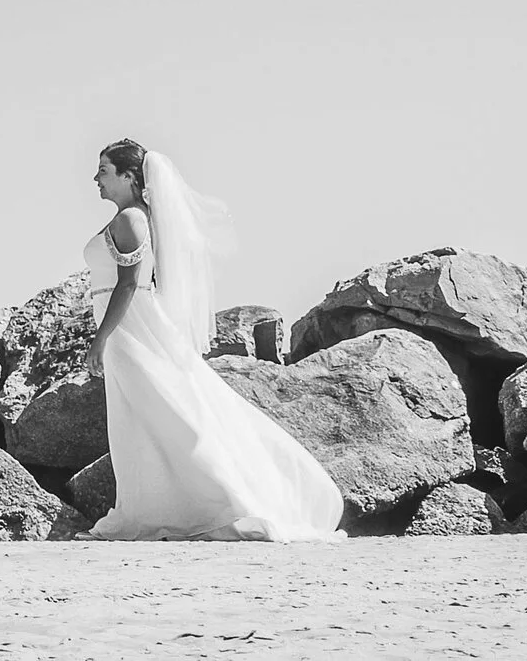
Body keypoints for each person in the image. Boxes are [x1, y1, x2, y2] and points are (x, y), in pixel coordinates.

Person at [78, 138, 346, 541]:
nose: (95, 178)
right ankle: (156, 505)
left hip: (131, 327)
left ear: (128, 176)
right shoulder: (138, 217)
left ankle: (224, 500)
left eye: (103, 170)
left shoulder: (131, 220)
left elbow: (129, 284)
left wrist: (101, 339)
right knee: (145, 416)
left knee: (168, 413)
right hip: (131, 325)